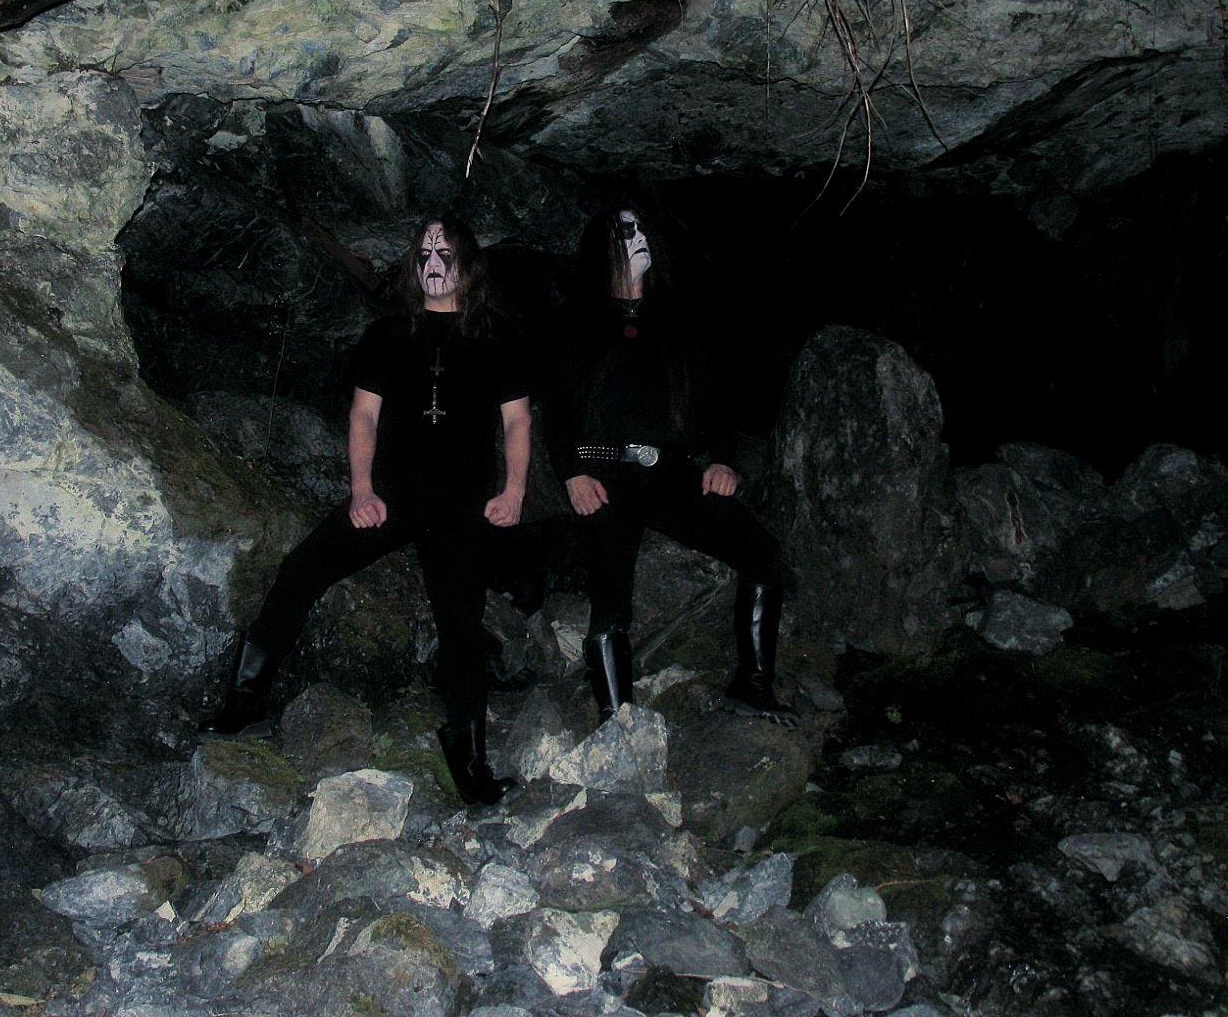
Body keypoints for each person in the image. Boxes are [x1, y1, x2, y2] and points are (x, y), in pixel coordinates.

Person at [200, 216, 531, 806]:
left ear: (467, 265)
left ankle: (471, 765)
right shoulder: (387, 334)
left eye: (445, 252)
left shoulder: (498, 336)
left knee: (462, 626)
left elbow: (517, 422)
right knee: (301, 569)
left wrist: (514, 493)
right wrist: (361, 491)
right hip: (393, 496)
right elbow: (363, 416)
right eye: (425, 251)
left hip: (463, 504)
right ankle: (243, 702)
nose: (433, 262)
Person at [549, 201, 798, 726]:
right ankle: (618, 723)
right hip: (605, 475)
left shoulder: (679, 319)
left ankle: (752, 684)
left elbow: (718, 400)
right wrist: (572, 472)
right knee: (611, 602)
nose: (637, 236)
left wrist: (723, 461)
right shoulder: (576, 320)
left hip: (671, 474)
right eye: (624, 231)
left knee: (763, 554)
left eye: (641, 228)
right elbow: (557, 407)